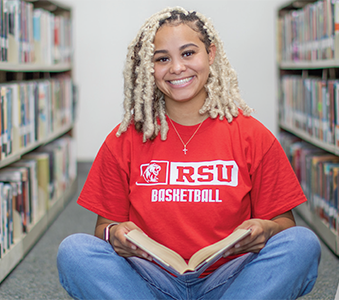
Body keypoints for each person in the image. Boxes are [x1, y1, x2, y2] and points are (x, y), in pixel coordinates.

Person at [56, 7, 320, 300]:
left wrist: (265, 230)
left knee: (302, 243)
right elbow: (103, 229)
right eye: (162, 59)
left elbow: (285, 225)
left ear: (211, 54)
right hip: (148, 280)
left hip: (231, 277)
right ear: (149, 67)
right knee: (75, 251)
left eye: (188, 53)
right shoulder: (125, 139)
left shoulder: (252, 135)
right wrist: (113, 235)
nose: (177, 68)